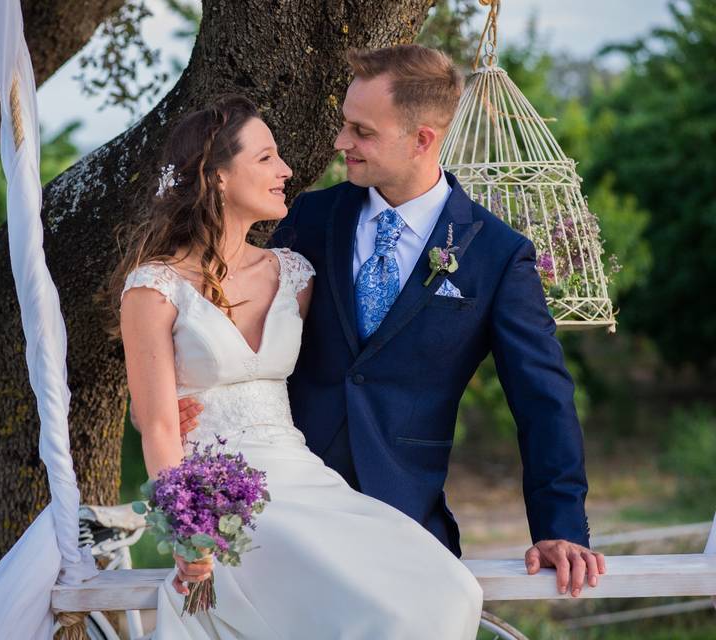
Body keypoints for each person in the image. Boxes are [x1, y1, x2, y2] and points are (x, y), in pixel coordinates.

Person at [175, 44, 607, 600]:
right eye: (344, 124)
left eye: (362, 131)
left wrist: (559, 528)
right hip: (280, 513)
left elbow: (543, 398)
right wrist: (194, 394)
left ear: (422, 139)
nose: (341, 142)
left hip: (404, 518)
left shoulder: (497, 256)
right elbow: (234, 325)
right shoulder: (308, 218)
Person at [113, 93, 483, 638]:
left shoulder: (295, 275)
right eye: (266, 158)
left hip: (308, 481)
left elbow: (359, 360)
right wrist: (188, 534)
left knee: (452, 589)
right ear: (216, 177)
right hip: (228, 501)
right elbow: (161, 426)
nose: (286, 170)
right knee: (381, 611)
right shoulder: (154, 288)